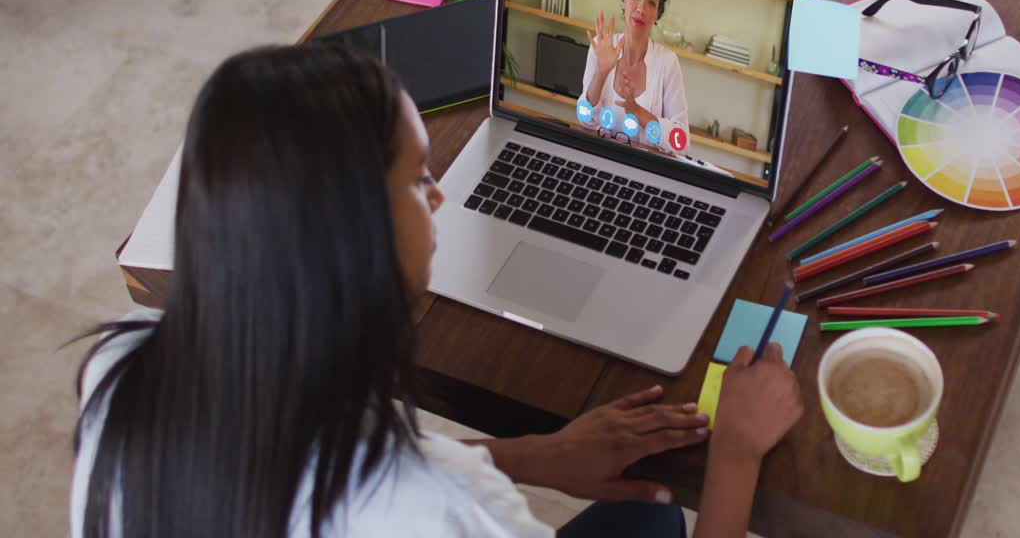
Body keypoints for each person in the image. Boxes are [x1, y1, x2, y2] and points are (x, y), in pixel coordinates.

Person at [71, 43, 802, 538]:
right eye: (420, 179)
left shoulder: (123, 372)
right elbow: (410, 493)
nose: (441, 197)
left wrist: (535, 456)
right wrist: (735, 452)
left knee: (646, 517)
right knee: (662, 515)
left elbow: (322, 465)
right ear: (359, 239)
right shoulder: (441, 513)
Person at [578, 0, 690, 150]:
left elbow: (681, 143)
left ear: (657, 12)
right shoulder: (601, 46)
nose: (641, 8)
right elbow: (587, 122)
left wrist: (638, 111)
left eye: (651, 2)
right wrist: (601, 73)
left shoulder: (667, 62)